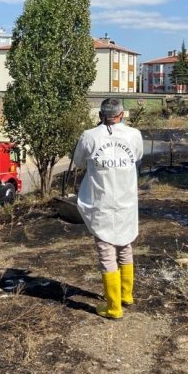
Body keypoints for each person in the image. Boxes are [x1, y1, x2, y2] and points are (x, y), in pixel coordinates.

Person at [73, 98, 143, 319]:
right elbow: (137, 158)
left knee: (106, 251)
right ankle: (126, 295)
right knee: (125, 246)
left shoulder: (89, 136)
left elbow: (78, 162)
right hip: (126, 201)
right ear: (122, 114)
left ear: (101, 114)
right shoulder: (134, 135)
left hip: (101, 202)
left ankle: (114, 307)